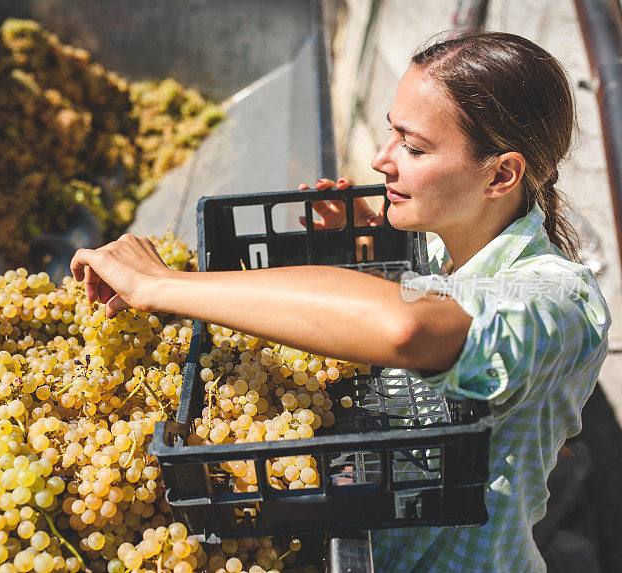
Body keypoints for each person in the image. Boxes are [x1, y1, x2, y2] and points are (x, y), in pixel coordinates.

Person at [70, 31, 610, 571]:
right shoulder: (445, 243)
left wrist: (165, 286)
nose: (381, 160)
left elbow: (410, 328)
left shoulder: (560, 302)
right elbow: (418, 303)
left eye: (415, 148)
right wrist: (365, 249)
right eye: (392, 134)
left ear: (500, 174)